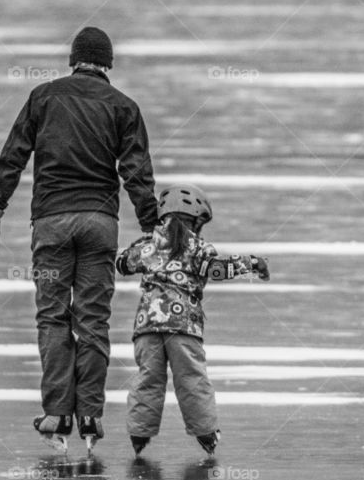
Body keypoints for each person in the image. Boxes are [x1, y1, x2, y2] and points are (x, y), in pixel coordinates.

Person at [0, 27, 159, 451]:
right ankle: (90, 416)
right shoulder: (124, 107)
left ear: (73, 59)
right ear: (108, 63)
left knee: (54, 316)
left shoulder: (44, 97)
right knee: (93, 320)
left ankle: (57, 414)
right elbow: (137, 174)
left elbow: (13, 156)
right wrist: (151, 227)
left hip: (52, 224)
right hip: (100, 225)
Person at [115, 183, 269, 458]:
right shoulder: (198, 248)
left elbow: (122, 264)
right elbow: (219, 269)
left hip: (146, 327)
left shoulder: (147, 246)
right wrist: (252, 264)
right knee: (191, 379)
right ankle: (206, 434)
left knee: (148, 379)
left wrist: (133, 249)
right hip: (184, 327)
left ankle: (139, 435)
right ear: (195, 221)